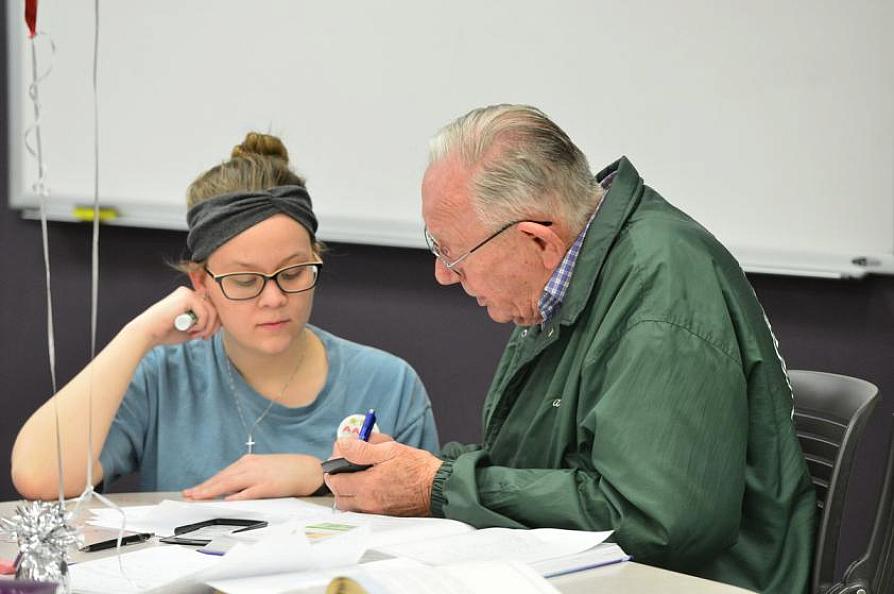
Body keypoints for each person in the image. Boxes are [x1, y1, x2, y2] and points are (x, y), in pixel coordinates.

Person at [325, 105, 816, 594]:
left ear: (538, 241)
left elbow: (654, 520)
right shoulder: (570, 279)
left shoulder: (658, 302)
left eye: (453, 252)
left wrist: (440, 486)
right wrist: (415, 473)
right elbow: (529, 459)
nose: (444, 274)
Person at [11, 132, 439, 501]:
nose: (273, 298)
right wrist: (137, 335)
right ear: (201, 281)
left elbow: (424, 512)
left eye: (292, 273)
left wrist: (319, 475)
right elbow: (39, 476)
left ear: (316, 259)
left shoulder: (388, 383)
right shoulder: (164, 376)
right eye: (244, 280)